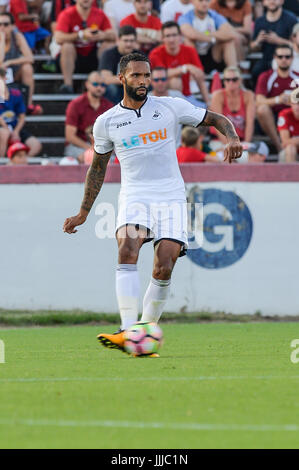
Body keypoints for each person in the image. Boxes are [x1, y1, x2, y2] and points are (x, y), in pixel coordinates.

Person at [63, 52, 243, 355]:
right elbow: (97, 168)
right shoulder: (106, 123)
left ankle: (144, 333)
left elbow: (216, 119)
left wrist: (233, 137)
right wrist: (83, 212)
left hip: (170, 195)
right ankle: (127, 329)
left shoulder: (170, 107)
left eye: (147, 75)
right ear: (121, 79)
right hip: (135, 195)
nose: (144, 81)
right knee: (127, 247)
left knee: (164, 265)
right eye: (136, 76)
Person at [55, 0, 116, 94]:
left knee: (108, 45)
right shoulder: (67, 13)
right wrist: (80, 35)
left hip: (93, 56)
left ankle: (103, 82)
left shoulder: (99, 13)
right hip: (73, 58)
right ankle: (68, 85)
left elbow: (113, 35)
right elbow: (58, 38)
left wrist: (102, 35)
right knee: (67, 46)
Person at [149, 21, 209, 106]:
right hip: (163, 98)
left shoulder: (190, 50)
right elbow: (161, 75)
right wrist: (185, 68)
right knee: (175, 81)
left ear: (180, 36)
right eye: (168, 36)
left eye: (174, 35)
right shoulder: (155, 53)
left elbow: (200, 76)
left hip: (187, 96)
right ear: (162, 38)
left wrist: (208, 103)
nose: (171, 39)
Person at [255, 44, 298, 153]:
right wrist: (278, 99)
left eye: (287, 57)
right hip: (273, 116)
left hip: (294, 115)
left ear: (292, 58)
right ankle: (279, 146)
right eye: (280, 57)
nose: (284, 60)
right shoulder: (266, 76)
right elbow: (259, 100)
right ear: (275, 57)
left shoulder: (297, 77)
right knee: (262, 109)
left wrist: (294, 101)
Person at [178, 0, 238, 73]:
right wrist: (213, 38)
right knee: (188, 40)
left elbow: (231, 33)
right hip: (195, 55)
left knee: (228, 41)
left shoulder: (214, 15)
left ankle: (234, 75)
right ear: (192, 2)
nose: (204, 3)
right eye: (200, 1)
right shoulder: (185, 17)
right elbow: (191, 34)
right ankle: (193, 76)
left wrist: (208, 34)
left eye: (207, 0)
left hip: (212, 54)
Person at [0, 11, 42, 115]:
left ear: (12, 26)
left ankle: (28, 105)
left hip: (13, 72)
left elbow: (30, 58)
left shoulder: (17, 37)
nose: (2, 27)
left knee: (27, 68)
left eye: (6, 24)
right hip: (1, 74)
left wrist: (10, 62)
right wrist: (2, 41)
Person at [64, 71, 113, 159]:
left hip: (102, 146)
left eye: (103, 85)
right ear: (87, 84)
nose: (99, 88)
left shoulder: (109, 106)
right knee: (88, 157)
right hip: (79, 145)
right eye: (95, 84)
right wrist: (90, 149)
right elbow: (70, 136)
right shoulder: (75, 104)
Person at [250, 0, 297, 84]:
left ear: (282, 1)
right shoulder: (259, 21)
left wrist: (278, 40)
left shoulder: (291, 19)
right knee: (256, 71)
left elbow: (296, 44)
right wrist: (258, 41)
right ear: (263, 2)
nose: (272, 1)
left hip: (286, 58)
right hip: (266, 59)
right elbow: (252, 47)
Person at [0, 67, 41, 157]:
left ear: (5, 78)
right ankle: (2, 165)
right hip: (2, 128)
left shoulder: (15, 93)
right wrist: (7, 129)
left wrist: (16, 132)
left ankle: (19, 163)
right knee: (4, 133)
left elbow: (22, 117)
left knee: (36, 145)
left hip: (15, 127)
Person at [210, 66, 255, 144]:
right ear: (224, 81)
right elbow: (217, 123)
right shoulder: (218, 96)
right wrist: (229, 145)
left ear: (240, 80)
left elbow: (250, 123)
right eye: (227, 80)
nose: (231, 82)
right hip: (220, 141)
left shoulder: (248, 95)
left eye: (234, 80)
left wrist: (246, 144)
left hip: (241, 140)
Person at [99, 25, 138, 104]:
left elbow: (146, 77)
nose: (128, 44)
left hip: (132, 86)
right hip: (116, 87)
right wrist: (129, 80)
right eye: (126, 41)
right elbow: (106, 79)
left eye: (131, 41)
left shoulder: (139, 55)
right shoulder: (108, 54)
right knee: (111, 88)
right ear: (118, 40)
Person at [149, 66, 186, 147]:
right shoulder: (146, 100)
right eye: (156, 80)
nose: (160, 82)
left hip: (177, 148)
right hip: (154, 149)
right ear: (151, 81)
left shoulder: (178, 96)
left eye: (163, 79)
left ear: (168, 80)